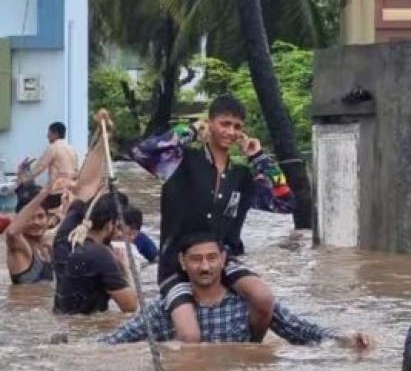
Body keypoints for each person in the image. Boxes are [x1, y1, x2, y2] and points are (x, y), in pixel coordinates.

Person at [116, 94, 294, 343]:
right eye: (224, 123)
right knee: (190, 335)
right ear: (209, 124)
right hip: (177, 265)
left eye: (237, 126)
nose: (230, 132)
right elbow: (141, 152)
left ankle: (250, 349)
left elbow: (284, 202)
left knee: (263, 298)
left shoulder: (242, 176)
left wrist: (258, 158)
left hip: (222, 262)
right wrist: (187, 131)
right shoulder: (180, 161)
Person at [101, 232, 370, 347]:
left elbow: (303, 331)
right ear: (183, 263)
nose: (205, 267)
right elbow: (115, 342)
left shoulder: (246, 303)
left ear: (224, 259)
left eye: (211, 258)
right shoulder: (166, 311)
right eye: (196, 259)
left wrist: (344, 340)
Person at [54, 192, 139, 315]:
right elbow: (131, 306)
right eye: (119, 227)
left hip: (65, 319)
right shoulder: (101, 255)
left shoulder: (67, 239)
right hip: (85, 328)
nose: (119, 233)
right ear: (110, 224)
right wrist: (124, 267)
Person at [6, 179, 67, 284]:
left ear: (47, 218)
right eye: (30, 218)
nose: (36, 222)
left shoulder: (47, 247)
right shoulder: (19, 248)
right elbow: (12, 232)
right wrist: (42, 194)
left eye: (40, 216)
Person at [16, 121, 82, 211]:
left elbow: (40, 167)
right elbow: (77, 170)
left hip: (56, 192)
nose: (47, 136)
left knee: (32, 203)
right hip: (71, 191)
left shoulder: (53, 148)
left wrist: (24, 178)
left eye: (49, 133)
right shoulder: (72, 149)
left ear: (56, 134)